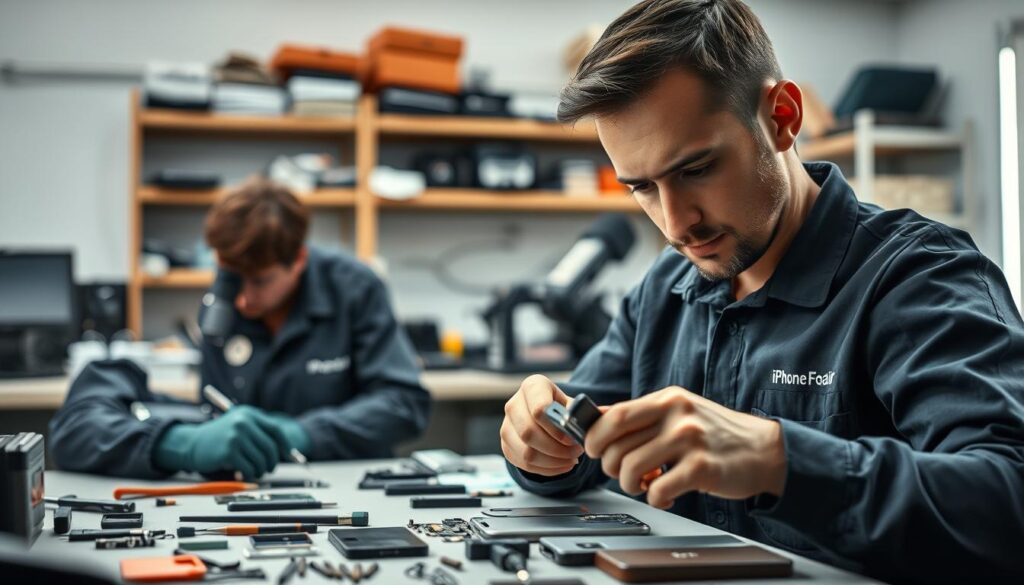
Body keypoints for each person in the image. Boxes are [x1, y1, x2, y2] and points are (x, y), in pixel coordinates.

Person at [499, 1, 1024, 582]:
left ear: (782, 117)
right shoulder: (664, 290)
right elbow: (579, 448)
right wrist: (540, 447)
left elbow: (1007, 502)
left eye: (696, 168)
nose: (676, 225)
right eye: (643, 187)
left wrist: (781, 462)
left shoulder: (919, 278)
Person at [50, 179, 430, 479]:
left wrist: (303, 434)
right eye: (231, 277)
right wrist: (192, 442)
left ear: (298, 259)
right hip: (245, 487)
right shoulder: (225, 302)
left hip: (340, 479)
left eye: (260, 281)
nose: (243, 300)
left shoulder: (354, 289)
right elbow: (214, 407)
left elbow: (403, 404)